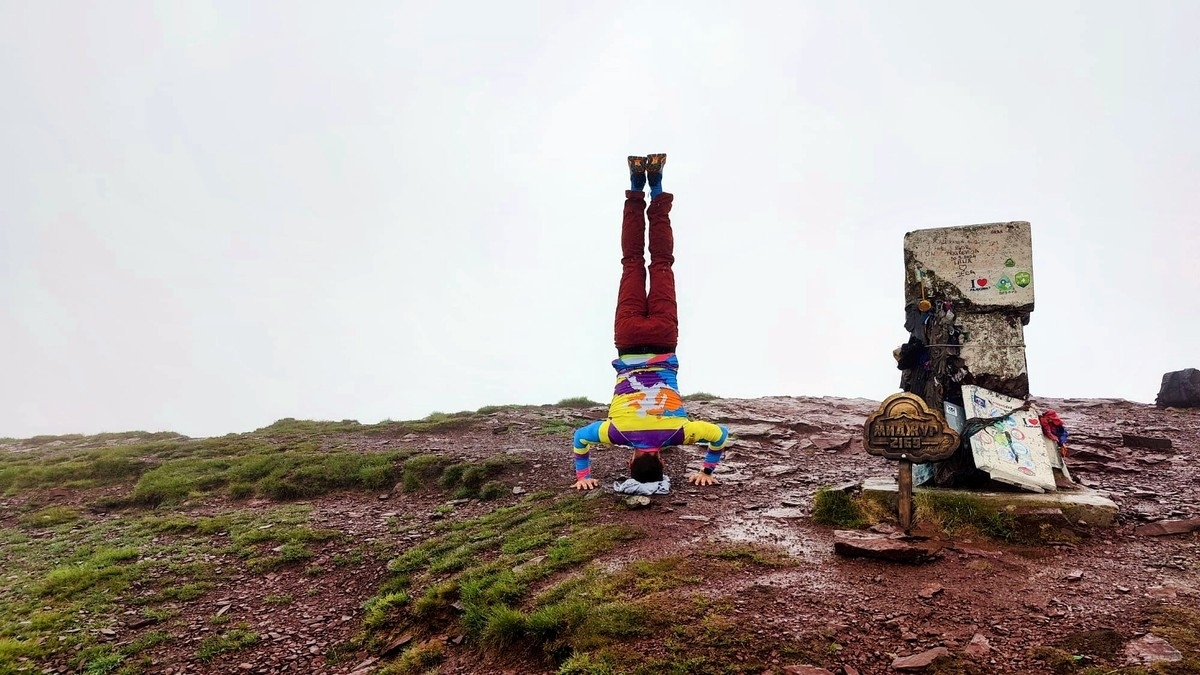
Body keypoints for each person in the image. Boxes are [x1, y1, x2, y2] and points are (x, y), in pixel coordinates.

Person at [570, 154, 730, 491]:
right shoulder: (616, 434)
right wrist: (583, 477)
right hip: (628, 341)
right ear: (630, 461)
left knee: (661, 264)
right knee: (631, 263)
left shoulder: (678, 434)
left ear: (660, 460)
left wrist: (707, 471)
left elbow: (720, 436)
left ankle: (656, 189)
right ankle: (634, 187)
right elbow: (579, 440)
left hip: (662, 337)